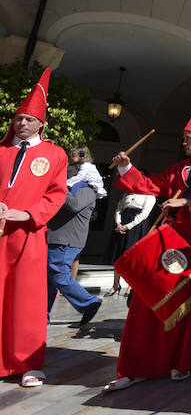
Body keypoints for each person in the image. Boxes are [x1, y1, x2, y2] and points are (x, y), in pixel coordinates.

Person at [103, 91, 191, 392]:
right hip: (170, 240)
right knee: (148, 298)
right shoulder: (178, 170)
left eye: (189, 136)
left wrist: (188, 204)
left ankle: (184, 360)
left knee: (190, 303)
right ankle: (139, 364)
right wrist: (127, 167)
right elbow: (151, 186)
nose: (184, 140)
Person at [0, 68, 68, 388]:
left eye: (28, 119)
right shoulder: (0, 151)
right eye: (18, 118)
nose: (22, 123)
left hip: (29, 236)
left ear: (41, 123)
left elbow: (56, 195)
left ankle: (28, 364)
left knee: (27, 300)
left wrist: (25, 214)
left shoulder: (54, 154)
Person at [47, 164, 102, 326]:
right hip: (57, 237)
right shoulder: (73, 187)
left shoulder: (86, 189)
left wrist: (60, 186)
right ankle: (42, 316)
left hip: (66, 239)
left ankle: (88, 302)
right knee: (49, 279)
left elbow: (74, 205)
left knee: (59, 274)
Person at [104, 192, 156, 296]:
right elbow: (119, 208)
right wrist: (118, 222)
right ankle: (115, 285)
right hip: (123, 221)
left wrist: (128, 226)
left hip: (136, 225)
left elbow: (144, 214)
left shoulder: (149, 195)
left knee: (133, 255)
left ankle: (130, 286)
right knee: (118, 253)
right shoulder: (127, 193)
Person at [65, 145, 105, 280]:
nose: (71, 158)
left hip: (81, 201)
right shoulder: (77, 169)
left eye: (73, 155)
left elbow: (79, 179)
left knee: (72, 257)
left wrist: (65, 184)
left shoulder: (86, 168)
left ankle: (71, 284)